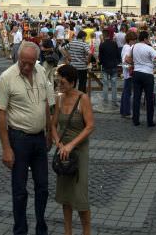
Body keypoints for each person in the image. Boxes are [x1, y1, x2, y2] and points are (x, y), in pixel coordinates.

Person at [0, 42, 55, 235]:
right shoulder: (7, 77)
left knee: (43, 187)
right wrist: (6, 148)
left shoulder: (40, 70)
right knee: (20, 190)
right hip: (19, 139)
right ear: (18, 58)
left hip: (39, 139)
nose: (27, 67)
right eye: (24, 63)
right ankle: (20, 230)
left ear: (36, 60)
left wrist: (49, 130)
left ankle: (41, 227)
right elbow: (1, 114)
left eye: (31, 63)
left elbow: (46, 102)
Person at [52, 64, 95, 235]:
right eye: (58, 81)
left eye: (62, 81)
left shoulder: (83, 98)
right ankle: (67, 231)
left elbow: (90, 126)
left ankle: (86, 231)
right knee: (65, 196)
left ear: (72, 82)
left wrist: (71, 145)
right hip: (63, 152)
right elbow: (53, 125)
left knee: (80, 195)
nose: (59, 84)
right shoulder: (59, 98)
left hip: (79, 151)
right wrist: (58, 143)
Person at [126, 29, 156, 127]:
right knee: (149, 99)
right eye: (148, 38)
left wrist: (135, 63)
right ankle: (150, 121)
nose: (149, 40)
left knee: (136, 97)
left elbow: (127, 59)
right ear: (145, 39)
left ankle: (135, 120)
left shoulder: (133, 47)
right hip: (147, 74)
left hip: (137, 74)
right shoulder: (149, 48)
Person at [97, 30, 121, 110]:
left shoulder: (102, 45)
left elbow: (100, 57)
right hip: (114, 66)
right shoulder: (114, 44)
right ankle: (114, 100)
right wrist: (117, 62)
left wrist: (100, 63)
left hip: (105, 66)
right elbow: (118, 54)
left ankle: (105, 100)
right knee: (114, 84)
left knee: (105, 84)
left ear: (103, 35)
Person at [119, 30, 136, 118]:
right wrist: (130, 67)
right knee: (127, 93)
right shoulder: (127, 47)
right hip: (129, 74)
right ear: (130, 40)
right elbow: (124, 61)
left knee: (126, 92)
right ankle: (126, 112)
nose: (135, 41)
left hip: (127, 73)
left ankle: (123, 111)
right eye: (134, 40)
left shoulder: (126, 46)